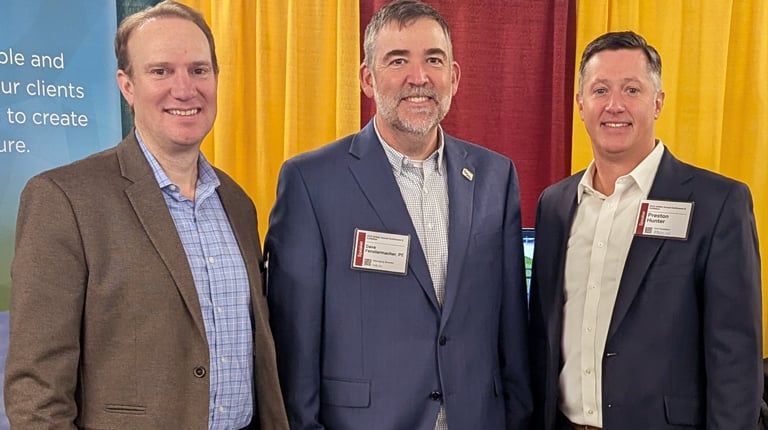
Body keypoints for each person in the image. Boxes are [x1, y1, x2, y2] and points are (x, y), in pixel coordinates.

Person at [3, 1, 288, 429]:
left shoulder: (237, 202)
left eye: (198, 70)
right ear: (127, 86)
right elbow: (36, 389)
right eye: (160, 71)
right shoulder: (63, 199)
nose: (184, 88)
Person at [264, 1, 532, 429]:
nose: (419, 78)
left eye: (433, 60)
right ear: (367, 79)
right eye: (398, 60)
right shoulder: (310, 182)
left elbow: (512, 327)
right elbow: (294, 339)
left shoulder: (494, 176)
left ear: (454, 77)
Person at [529, 30, 762, 430]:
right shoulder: (554, 205)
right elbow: (542, 340)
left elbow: (736, 361)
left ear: (657, 103)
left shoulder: (718, 204)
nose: (614, 105)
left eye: (632, 89)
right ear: (581, 104)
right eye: (600, 90)